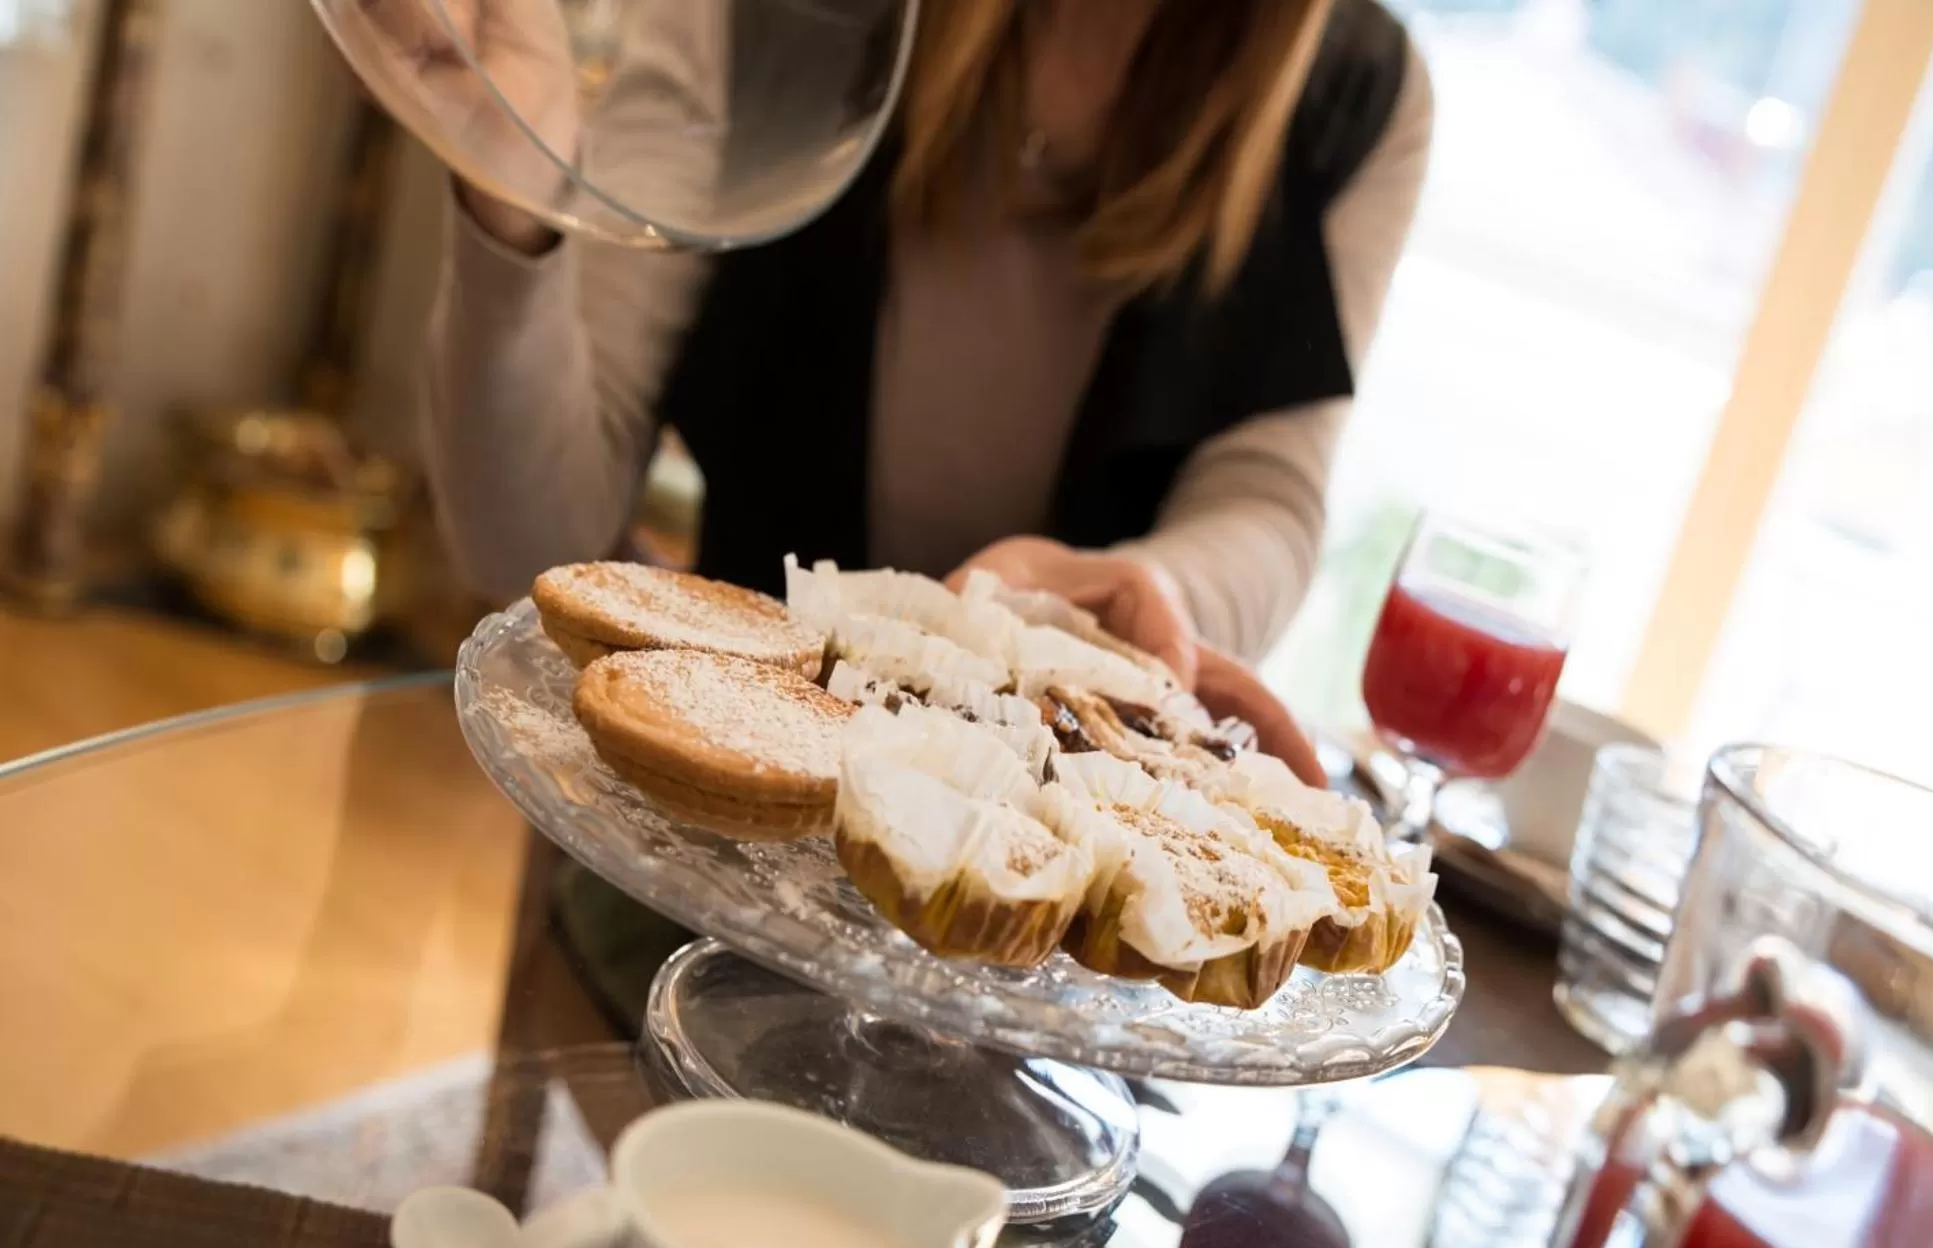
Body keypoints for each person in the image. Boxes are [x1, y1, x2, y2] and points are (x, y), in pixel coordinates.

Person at [418, 0, 1432, 781]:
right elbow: (525, 545)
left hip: (1032, 945)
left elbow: (1265, 505)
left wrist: (1134, 597)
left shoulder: (1356, 97)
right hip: (694, 840)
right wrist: (512, 194)